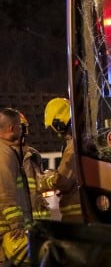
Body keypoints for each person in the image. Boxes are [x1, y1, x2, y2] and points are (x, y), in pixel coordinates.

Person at [0, 108, 32, 265]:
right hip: (7, 229)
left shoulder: (8, 151)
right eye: (20, 126)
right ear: (12, 128)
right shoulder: (3, 154)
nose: (22, 130)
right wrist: (17, 224)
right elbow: (5, 192)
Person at [41, 97, 82, 222]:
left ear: (59, 123)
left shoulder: (72, 147)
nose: (54, 131)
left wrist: (45, 180)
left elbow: (63, 181)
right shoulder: (80, 141)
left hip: (76, 217)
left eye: (53, 126)